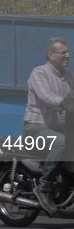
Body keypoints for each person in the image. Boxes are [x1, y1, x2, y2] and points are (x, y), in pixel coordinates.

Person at [23, 37, 74, 214]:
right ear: (51, 55)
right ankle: (44, 187)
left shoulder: (69, 76)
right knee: (61, 143)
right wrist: (66, 103)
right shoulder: (39, 73)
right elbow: (47, 97)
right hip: (35, 128)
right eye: (63, 52)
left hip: (57, 128)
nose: (68, 55)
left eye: (68, 52)